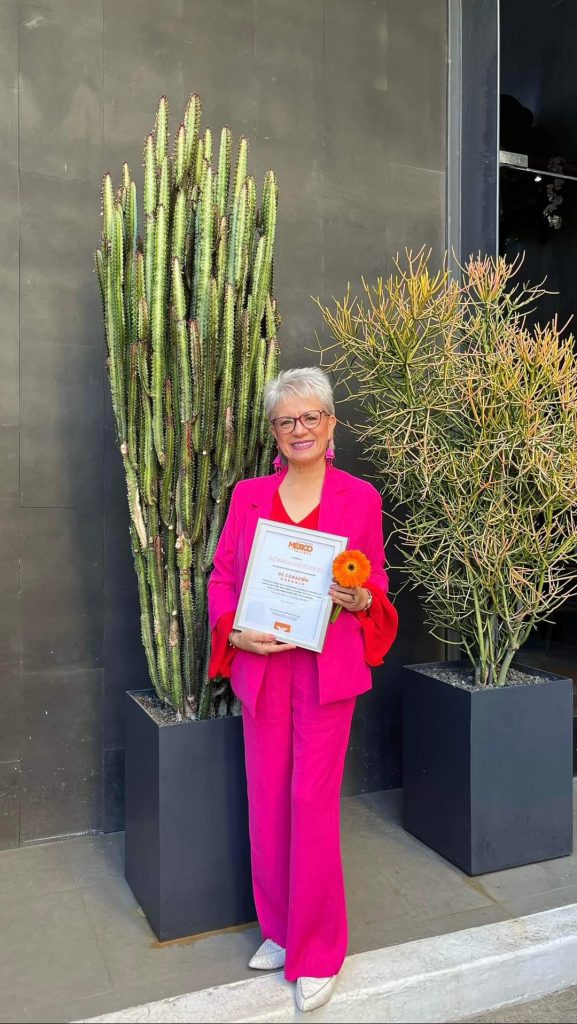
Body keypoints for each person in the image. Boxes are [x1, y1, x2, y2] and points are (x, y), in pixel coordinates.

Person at [207, 366, 398, 1013]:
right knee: (267, 803)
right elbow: (223, 577)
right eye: (287, 420)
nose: (300, 429)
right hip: (264, 670)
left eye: (311, 416)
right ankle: (281, 930)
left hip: (325, 677)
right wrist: (234, 632)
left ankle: (318, 951)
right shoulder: (249, 496)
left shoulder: (359, 498)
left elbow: (375, 583)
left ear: (331, 423)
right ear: (274, 431)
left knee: (310, 805)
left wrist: (360, 598)